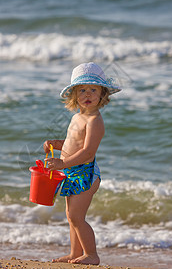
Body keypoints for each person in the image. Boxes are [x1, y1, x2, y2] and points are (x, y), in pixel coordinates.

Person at [43, 62, 121, 265]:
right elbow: (73, 144)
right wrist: (56, 144)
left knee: (77, 216)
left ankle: (91, 254)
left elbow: (87, 152)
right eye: (82, 90)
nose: (87, 94)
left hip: (85, 173)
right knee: (71, 217)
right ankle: (75, 253)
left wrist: (61, 163)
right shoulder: (78, 117)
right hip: (72, 171)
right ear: (74, 95)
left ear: (102, 94)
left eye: (93, 90)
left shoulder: (95, 121)